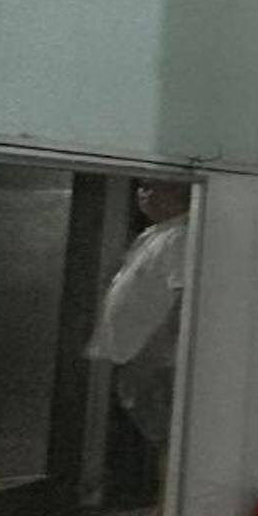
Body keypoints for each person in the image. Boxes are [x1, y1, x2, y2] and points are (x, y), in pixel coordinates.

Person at [88, 181, 192, 479]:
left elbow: (181, 298)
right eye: (142, 188)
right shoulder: (154, 234)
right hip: (133, 351)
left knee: (168, 434)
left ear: (177, 191)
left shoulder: (180, 236)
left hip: (155, 355)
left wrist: (158, 349)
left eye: (153, 187)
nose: (144, 194)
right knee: (154, 432)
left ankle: (168, 500)